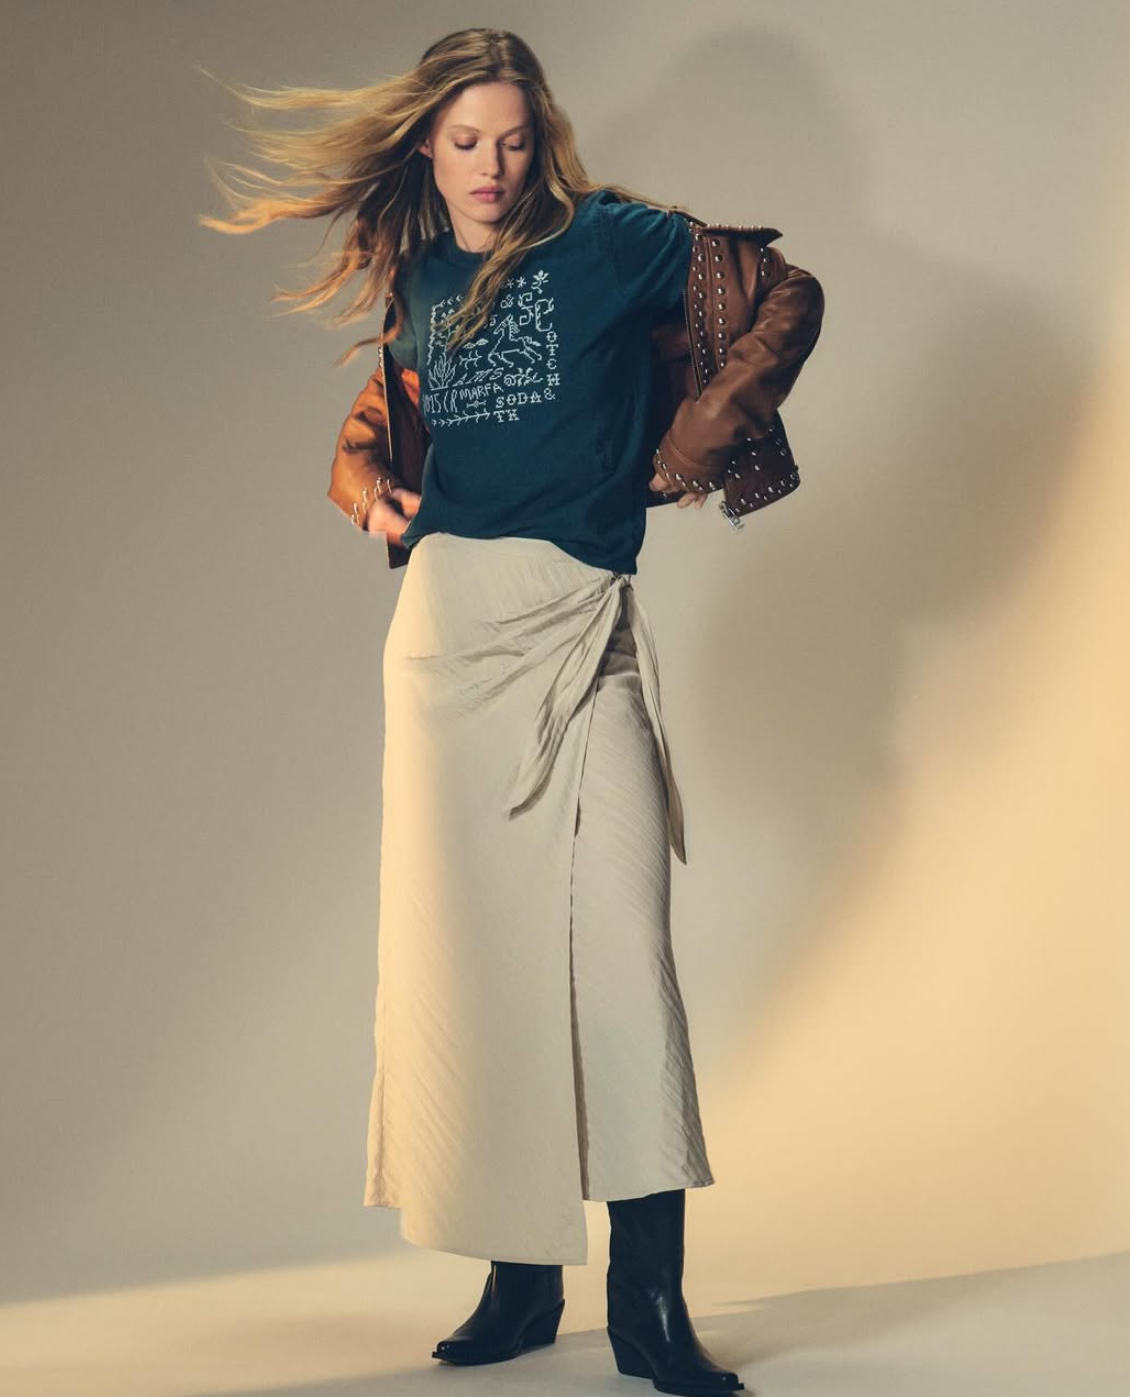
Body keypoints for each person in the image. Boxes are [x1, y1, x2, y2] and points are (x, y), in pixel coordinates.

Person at [200, 26, 823, 1396]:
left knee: (626, 963)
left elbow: (784, 293)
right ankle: (521, 1276)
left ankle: (649, 1306)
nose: (491, 165)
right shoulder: (419, 277)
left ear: (545, 142)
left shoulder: (611, 241)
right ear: (428, 145)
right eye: (466, 140)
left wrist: (691, 446)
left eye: (514, 139)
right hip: (445, 647)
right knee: (473, 970)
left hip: (580, 631)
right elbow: (391, 410)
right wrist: (365, 486)